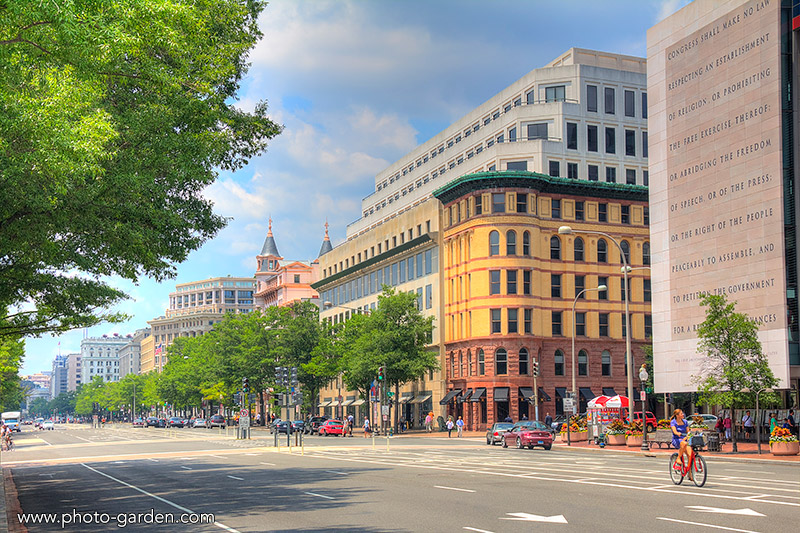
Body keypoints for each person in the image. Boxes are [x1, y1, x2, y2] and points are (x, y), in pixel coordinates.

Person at [670, 409, 691, 480]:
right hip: (677, 439)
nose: (683, 415)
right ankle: (678, 458)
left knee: (690, 455)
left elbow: (688, 431)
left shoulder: (685, 422)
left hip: (684, 439)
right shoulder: (673, 422)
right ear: (677, 415)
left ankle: (690, 473)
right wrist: (678, 433)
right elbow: (674, 431)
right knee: (683, 443)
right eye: (681, 414)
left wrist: (688, 435)